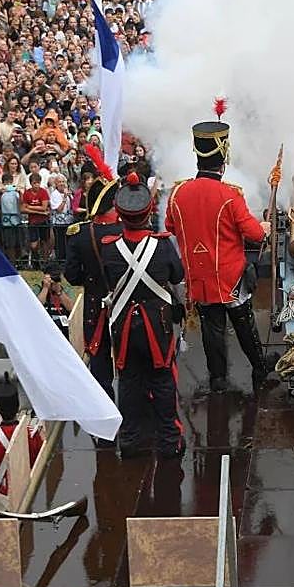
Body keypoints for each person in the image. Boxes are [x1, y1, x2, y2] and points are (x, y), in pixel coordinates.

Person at [165, 115, 271, 393]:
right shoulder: (230, 194)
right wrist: (265, 227)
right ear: (223, 159)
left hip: (197, 275)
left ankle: (218, 378)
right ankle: (259, 369)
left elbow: (169, 225)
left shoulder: (177, 193)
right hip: (230, 275)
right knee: (244, 323)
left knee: (212, 328)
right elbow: (255, 235)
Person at [101, 171, 186, 458]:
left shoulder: (110, 250)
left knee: (128, 382)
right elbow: (178, 274)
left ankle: (131, 439)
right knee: (162, 382)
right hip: (156, 325)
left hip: (124, 324)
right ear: (148, 212)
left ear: (121, 215)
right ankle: (169, 440)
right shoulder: (161, 245)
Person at [63, 147, 121, 423]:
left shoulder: (78, 234)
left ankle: (105, 411)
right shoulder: (125, 232)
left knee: (99, 364)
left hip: (95, 306)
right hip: (125, 305)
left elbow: (73, 277)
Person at [0, 374, 45, 500]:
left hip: (2, 495)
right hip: (28, 493)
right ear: (18, 407)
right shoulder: (31, 434)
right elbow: (40, 466)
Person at [38, 265, 74, 337]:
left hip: (63, 330)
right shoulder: (38, 288)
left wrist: (59, 292)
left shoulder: (66, 290)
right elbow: (37, 307)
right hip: (44, 328)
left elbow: (71, 309)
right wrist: (45, 288)